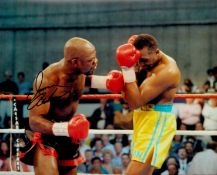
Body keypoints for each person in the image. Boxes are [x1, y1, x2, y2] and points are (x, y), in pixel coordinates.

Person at [19, 37, 124, 175]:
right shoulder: (47, 80)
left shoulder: (79, 73)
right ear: (75, 62)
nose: (95, 62)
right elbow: (34, 121)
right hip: (46, 135)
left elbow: (85, 81)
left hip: (68, 134)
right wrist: (66, 128)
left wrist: (108, 82)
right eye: (90, 60)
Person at [115, 34, 181, 175]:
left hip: (156, 121)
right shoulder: (147, 61)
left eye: (143, 60)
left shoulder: (167, 71)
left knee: (135, 170)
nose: (141, 64)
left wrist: (127, 68)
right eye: (138, 60)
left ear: (156, 52)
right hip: (143, 118)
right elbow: (132, 93)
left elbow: (134, 102)